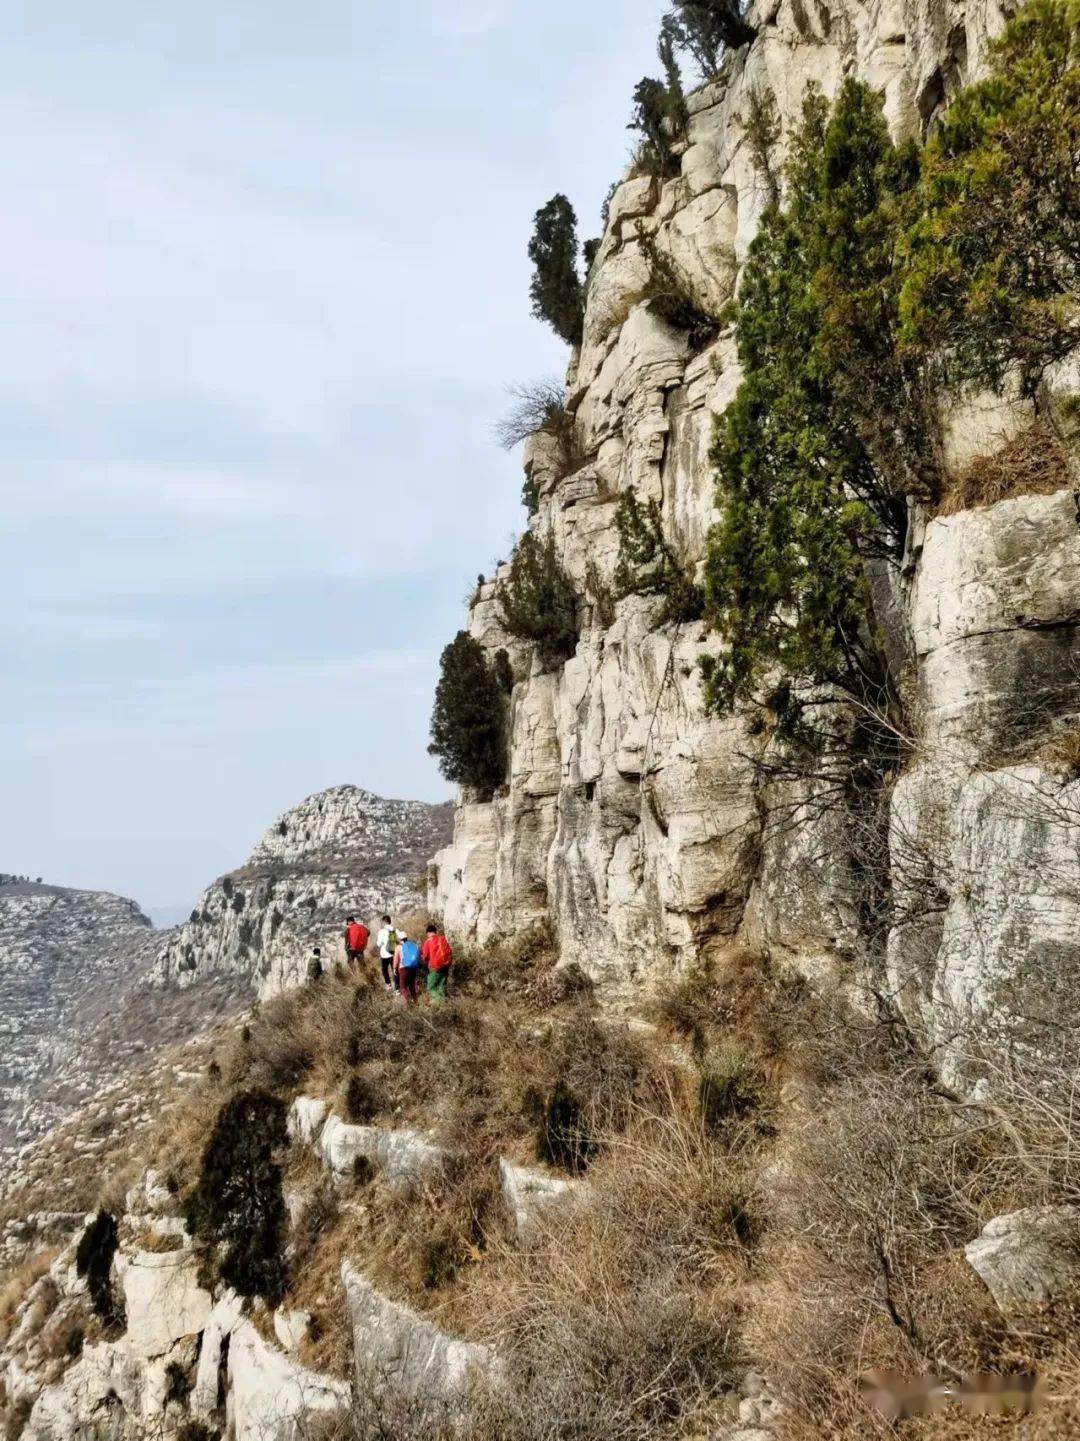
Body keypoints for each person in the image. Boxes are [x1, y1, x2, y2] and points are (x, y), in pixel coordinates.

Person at [421, 923, 453, 1004]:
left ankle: (441, 1002)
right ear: (435, 931)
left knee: (431, 988)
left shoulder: (428, 941)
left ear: (428, 933)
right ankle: (444, 1006)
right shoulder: (443, 939)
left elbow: (425, 957)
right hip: (445, 966)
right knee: (442, 987)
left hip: (435, 968)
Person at [395, 931, 422, 1003]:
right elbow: (419, 956)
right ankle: (415, 1000)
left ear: (400, 939)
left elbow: (396, 960)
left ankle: (408, 1002)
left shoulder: (398, 947)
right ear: (406, 937)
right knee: (412, 984)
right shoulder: (414, 945)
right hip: (413, 968)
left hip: (403, 968)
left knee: (403, 986)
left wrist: (394, 968)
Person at [376, 915, 398, 994]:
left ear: (384, 922)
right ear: (390, 921)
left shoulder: (381, 931)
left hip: (384, 955)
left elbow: (378, 944)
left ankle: (388, 985)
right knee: (394, 970)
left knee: (384, 970)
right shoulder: (394, 929)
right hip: (393, 954)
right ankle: (397, 988)